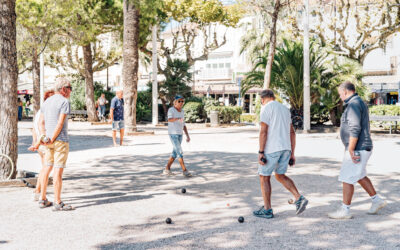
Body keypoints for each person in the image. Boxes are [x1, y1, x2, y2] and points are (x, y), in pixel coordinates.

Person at [328, 82, 386, 219]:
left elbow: (355, 128)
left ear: (346, 91)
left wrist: (351, 149)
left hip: (358, 147)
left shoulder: (353, 104)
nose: (340, 96)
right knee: (359, 175)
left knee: (347, 177)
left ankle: (345, 210)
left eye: (340, 93)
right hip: (361, 146)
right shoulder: (357, 102)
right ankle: (377, 200)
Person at [253, 89, 308, 219]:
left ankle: (267, 210)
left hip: (272, 148)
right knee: (280, 175)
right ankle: (298, 198)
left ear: (262, 99)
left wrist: (261, 152)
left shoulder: (266, 108)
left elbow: (263, 132)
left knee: (264, 177)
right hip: (286, 148)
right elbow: (292, 132)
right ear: (273, 97)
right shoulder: (284, 109)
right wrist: (292, 153)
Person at [38, 77, 73, 211]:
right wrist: (53, 137)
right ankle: (57, 201)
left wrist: (44, 136)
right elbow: (60, 123)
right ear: (63, 89)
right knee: (58, 171)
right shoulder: (64, 102)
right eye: (70, 88)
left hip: (48, 141)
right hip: (60, 140)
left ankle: (42, 198)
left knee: (46, 168)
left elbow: (41, 122)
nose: (70, 91)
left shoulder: (47, 102)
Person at [28, 90, 55, 201]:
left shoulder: (40, 111)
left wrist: (35, 141)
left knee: (44, 167)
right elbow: (40, 127)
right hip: (44, 143)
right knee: (46, 168)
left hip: (39, 143)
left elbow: (34, 128)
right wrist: (42, 140)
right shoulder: (46, 112)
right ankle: (39, 192)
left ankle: (38, 191)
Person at [163, 95, 192, 177]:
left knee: (175, 153)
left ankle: (167, 169)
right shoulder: (171, 110)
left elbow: (184, 124)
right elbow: (169, 119)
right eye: (179, 101)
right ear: (175, 102)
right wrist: (177, 119)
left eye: (182, 101)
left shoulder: (182, 111)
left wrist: (187, 136)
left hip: (180, 134)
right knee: (179, 152)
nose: (181, 103)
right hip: (173, 134)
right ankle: (184, 170)